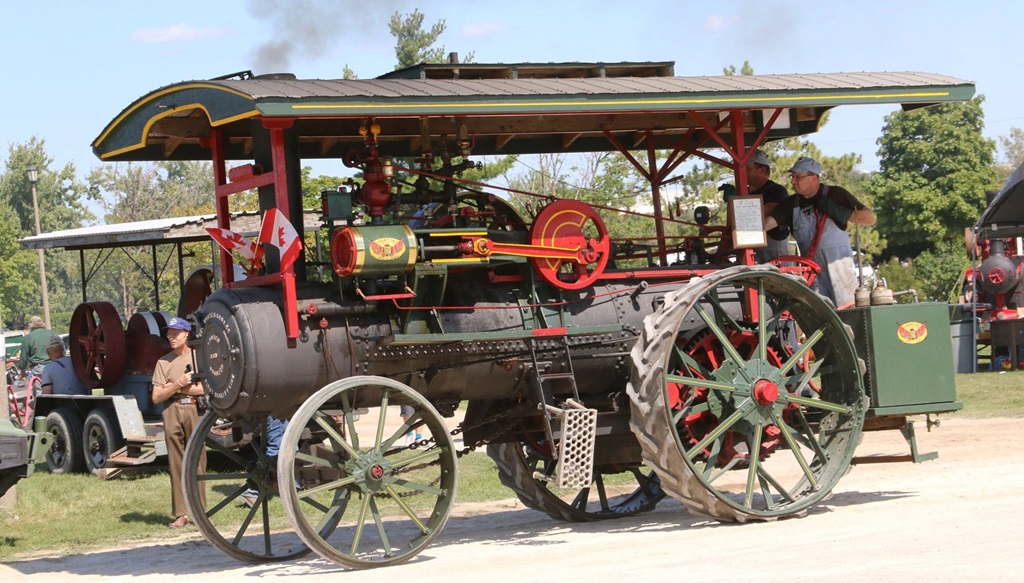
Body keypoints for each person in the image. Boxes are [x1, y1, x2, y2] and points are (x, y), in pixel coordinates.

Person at [764, 156, 876, 308]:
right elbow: (767, 225)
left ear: (814, 177)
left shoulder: (835, 194)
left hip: (839, 267)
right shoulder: (790, 204)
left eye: (798, 177)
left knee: (848, 311)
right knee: (818, 314)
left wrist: (841, 213)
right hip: (812, 271)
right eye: (792, 177)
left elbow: (870, 219)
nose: (793, 181)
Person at [151, 317, 206, 529]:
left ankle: (200, 511)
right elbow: (156, 397)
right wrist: (179, 384)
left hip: (194, 408)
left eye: (176, 334)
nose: (171, 338)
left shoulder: (198, 357)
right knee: (176, 463)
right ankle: (181, 513)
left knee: (198, 461)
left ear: (187, 334)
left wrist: (173, 388)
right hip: (172, 410)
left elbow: (206, 389)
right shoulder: (163, 362)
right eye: (169, 334)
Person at [746, 149, 792, 263]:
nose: (740, 172)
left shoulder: (776, 191)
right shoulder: (744, 193)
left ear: (761, 170)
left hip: (775, 254)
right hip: (753, 253)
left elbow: (768, 214)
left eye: (746, 168)